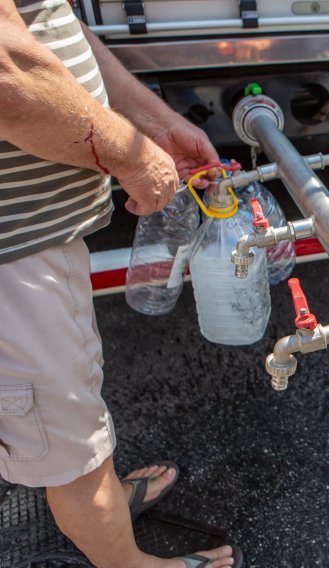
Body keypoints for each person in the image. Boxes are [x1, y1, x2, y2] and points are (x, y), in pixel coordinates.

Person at [0, 0, 242, 566]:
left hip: (38, 237)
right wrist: (133, 157)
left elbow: (50, 25)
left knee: (73, 397)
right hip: (14, 249)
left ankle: (102, 502)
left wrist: (154, 124)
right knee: (68, 443)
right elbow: (8, 74)